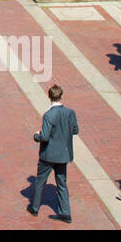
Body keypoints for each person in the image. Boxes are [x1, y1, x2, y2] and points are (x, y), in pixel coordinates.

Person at [27, 83, 79, 222]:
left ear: (49, 96)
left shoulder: (49, 115)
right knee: (62, 183)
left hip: (48, 155)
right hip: (64, 154)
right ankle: (65, 212)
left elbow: (44, 136)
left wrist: (36, 135)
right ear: (61, 96)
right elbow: (75, 130)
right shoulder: (70, 113)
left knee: (40, 181)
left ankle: (35, 207)